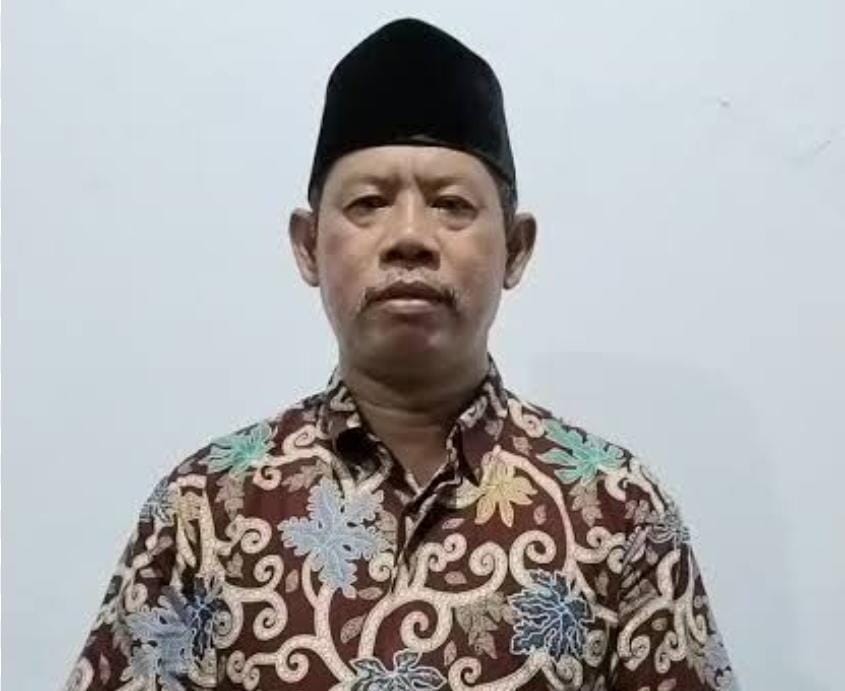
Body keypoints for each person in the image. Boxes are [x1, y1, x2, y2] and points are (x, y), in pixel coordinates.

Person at [64, 18, 736, 691]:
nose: (409, 236)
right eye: (368, 203)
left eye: (451, 205)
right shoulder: (204, 509)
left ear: (516, 248)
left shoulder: (617, 509)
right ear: (306, 245)